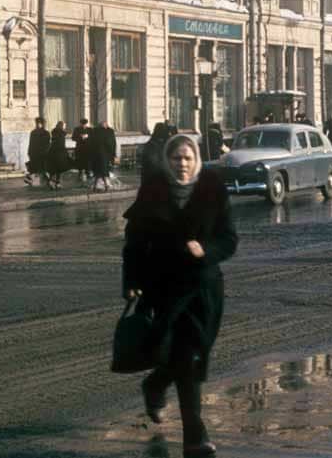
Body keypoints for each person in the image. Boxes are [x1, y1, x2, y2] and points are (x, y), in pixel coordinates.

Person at [122, 134, 238, 458]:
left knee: (193, 355)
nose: (182, 164)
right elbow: (133, 244)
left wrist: (207, 249)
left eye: (187, 158)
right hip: (165, 289)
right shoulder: (153, 192)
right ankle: (195, 439)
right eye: (176, 158)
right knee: (186, 359)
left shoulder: (212, 189)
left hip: (205, 291)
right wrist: (131, 281)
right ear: (167, 160)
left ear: (196, 159)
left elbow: (230, 239)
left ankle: (156, 384)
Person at [91, 120, 117, 192]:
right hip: (105, 155)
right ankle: (106, 186)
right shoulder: (108, 132)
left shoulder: (95, 131)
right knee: (103, 171)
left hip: (97, 155)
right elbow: (112, 143)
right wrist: (113, 154)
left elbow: (91, 143)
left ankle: (96, 187)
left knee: (98, 172)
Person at [47, 121, 72, 189]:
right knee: (59, 168)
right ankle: (57, 183)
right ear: (61, 126)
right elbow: (65, 135)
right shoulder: (62, 132)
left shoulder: (54, 131)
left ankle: (51, 181)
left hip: (53, 152)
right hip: (60, 152)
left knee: (53, 168)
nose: (65, 127)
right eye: (64, 126)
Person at [25, 117, 50, 186]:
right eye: (36, 123)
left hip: (42, 154)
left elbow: (47, 144)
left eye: (38, 123)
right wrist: (29, 152)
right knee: (34, 168)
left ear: (42, 124)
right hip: (34, 153)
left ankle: (48, 181)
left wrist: (45, 152)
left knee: (42, 168)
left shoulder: (46, 133)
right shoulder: (33, 132)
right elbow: (31, 143)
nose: (37, 124)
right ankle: (30, 179)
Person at [72, 118, 92, 184]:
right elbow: (73, 138)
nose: (84, 125)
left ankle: (88, 173)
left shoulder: (90, 129)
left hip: (88, 148)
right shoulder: (76, 129)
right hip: (80, 148)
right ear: (80, 124)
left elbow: (93, 137)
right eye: (82, 124)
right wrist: (80, 137)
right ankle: (80, 173)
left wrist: (87, 137)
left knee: (88, 161)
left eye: (85, 124)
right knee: (80, 161)